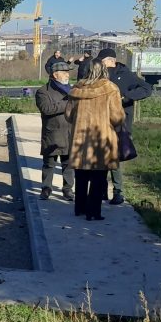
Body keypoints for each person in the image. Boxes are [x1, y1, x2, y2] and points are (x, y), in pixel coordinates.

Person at [65, 60, 125, 221]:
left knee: (81, 176)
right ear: (104, 70)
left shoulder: (76, 89)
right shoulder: (111, 89)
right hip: (101, 139)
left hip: (80, 140)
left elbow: (68, 116)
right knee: (99, 179)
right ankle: (94, 212)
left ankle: (80, 208)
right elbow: (117, 117)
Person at [97, 48, 152, 205]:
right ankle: (101, 191)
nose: (100, 64)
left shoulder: (126, 74)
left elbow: (147, 89)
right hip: (101, 122)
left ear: (111, 61)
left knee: (114, 159)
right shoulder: (99, 75)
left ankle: (118, 192)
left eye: (103, 61)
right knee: (102, 158)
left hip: (120, 123)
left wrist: (127, 97)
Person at [34, 60, 76, 201]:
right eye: (64, 73)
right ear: (55, 74)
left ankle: (68, 189)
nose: (67, 75)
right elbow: (46, 109)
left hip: (70, 133)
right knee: (49, 164)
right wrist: (68, 102)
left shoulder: (73, 90)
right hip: (52, 134)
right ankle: (46, 189)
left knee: (68, 165)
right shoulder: (43, 91)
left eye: (67, 73)